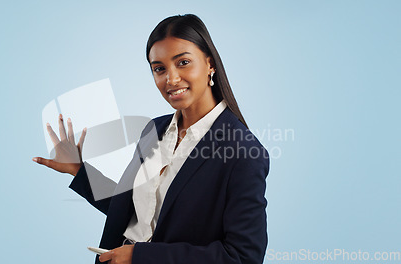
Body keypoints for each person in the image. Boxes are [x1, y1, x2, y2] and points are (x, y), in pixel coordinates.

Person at [33, 14, 269, 264]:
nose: (171, 79)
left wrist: (140, 256)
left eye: (183, 62)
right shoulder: (155, 129)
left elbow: (244, 257)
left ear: (210, 63)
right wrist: (79, 172)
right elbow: (134, 210)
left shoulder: (242, 151)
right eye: (159, 69)